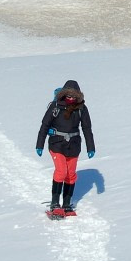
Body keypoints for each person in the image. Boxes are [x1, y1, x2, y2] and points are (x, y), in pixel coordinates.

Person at [35, 80, 96, 216]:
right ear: (63, 95)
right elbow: (44, 125)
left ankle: (67, 204)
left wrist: (90, 147)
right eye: (68, 96)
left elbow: (87, 128)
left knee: (71, 175)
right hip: (57, 144)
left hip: (73, 145)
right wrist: (39, 145)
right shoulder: (55, 107)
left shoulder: (81, 109)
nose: (71, 99)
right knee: (61, 171)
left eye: (74, 97)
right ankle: (55, 203)